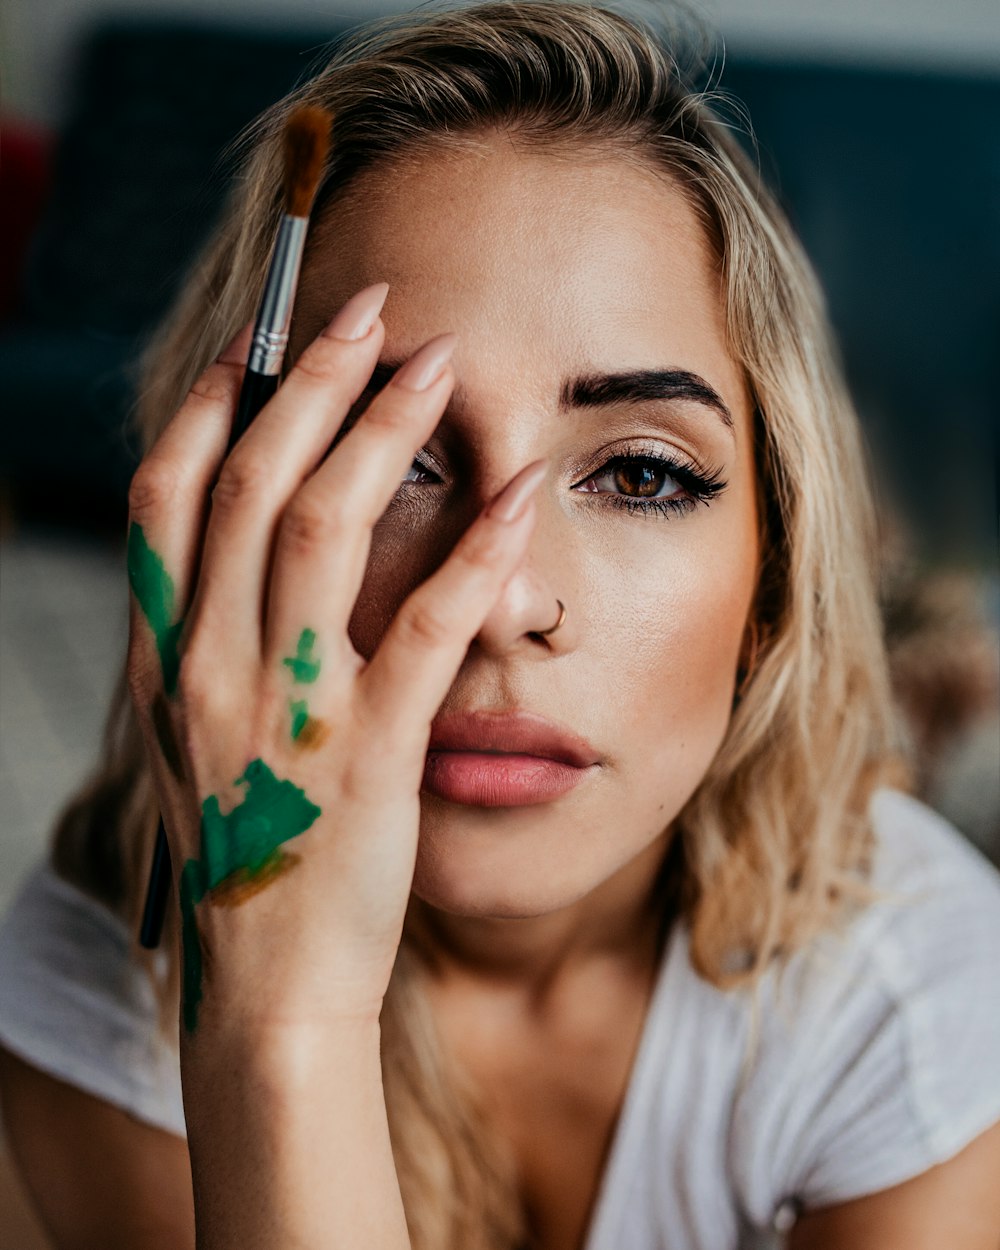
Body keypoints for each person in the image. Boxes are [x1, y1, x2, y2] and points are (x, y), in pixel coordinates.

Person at [1, 3, 998, 1247]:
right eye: (389, 458)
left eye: (641, 473)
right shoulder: (93, 981)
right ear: (231, 533)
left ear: (772, 586)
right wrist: (279, 1015)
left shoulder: (915, 981)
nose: (502, 602)